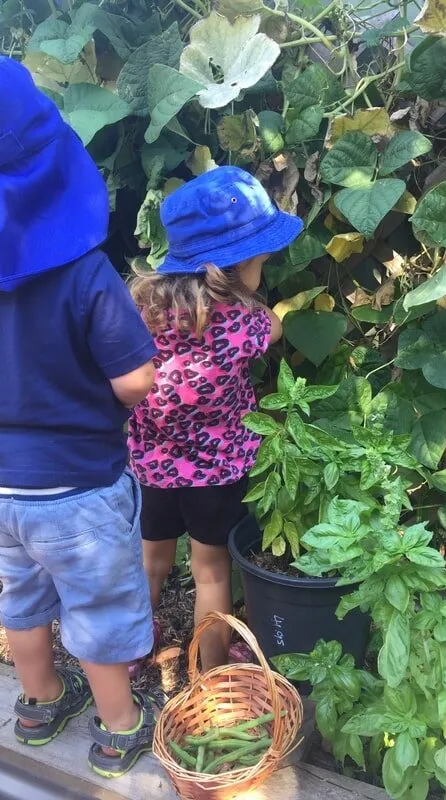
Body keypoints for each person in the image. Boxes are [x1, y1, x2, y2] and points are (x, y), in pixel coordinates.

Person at [0, 55, 164, 779]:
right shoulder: (85, 273)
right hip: (77, 486)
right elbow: (136, 380)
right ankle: (118, 729)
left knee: (22, 598)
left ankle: (39, 703)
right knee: (98, 608)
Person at [128, 166, 303, 671]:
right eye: (259, 262)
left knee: (151, 560)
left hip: (152, 465)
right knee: (210, 572)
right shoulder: (242, 320)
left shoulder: (142, 308)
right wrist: (250, 301)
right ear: (237, 264)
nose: (262, 270)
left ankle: (133, 650)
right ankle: (213, 671)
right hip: (217, 470)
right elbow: (274, 328)